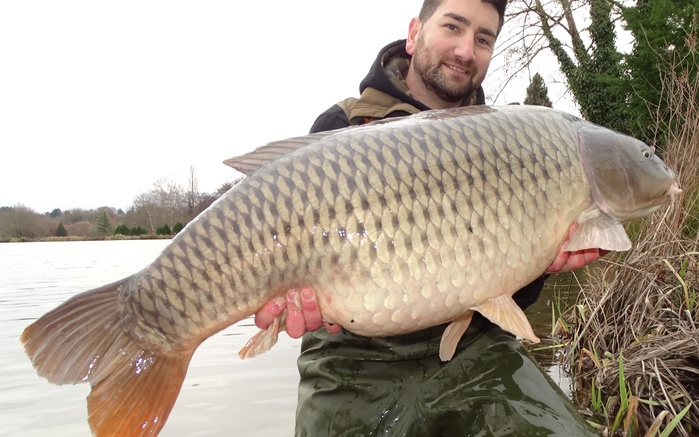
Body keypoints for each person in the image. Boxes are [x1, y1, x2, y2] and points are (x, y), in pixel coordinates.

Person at [255, 0, 605, 435]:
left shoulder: (506, 143)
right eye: (453, 27)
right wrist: (299, 298)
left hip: (476, 350)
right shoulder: (344, 124)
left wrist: (539, 262)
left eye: (483, 38)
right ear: (414, 32)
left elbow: (502, 293)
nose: (464, 50)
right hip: (353, 363)